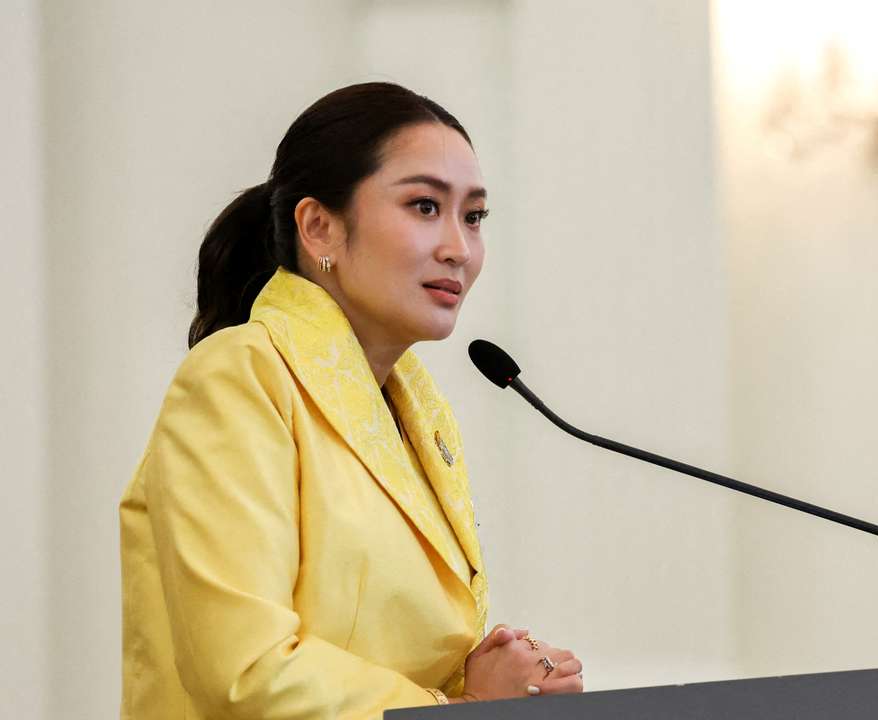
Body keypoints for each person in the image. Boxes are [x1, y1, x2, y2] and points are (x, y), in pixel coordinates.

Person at [118, 82, 583, 718]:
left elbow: (392, 658)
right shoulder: (238, 376)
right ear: (319, 227)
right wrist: (464, 705)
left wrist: (494, 677)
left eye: (473, 217)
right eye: (424, 206)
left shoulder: (418, 410)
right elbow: (245, 670)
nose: (459, 247)